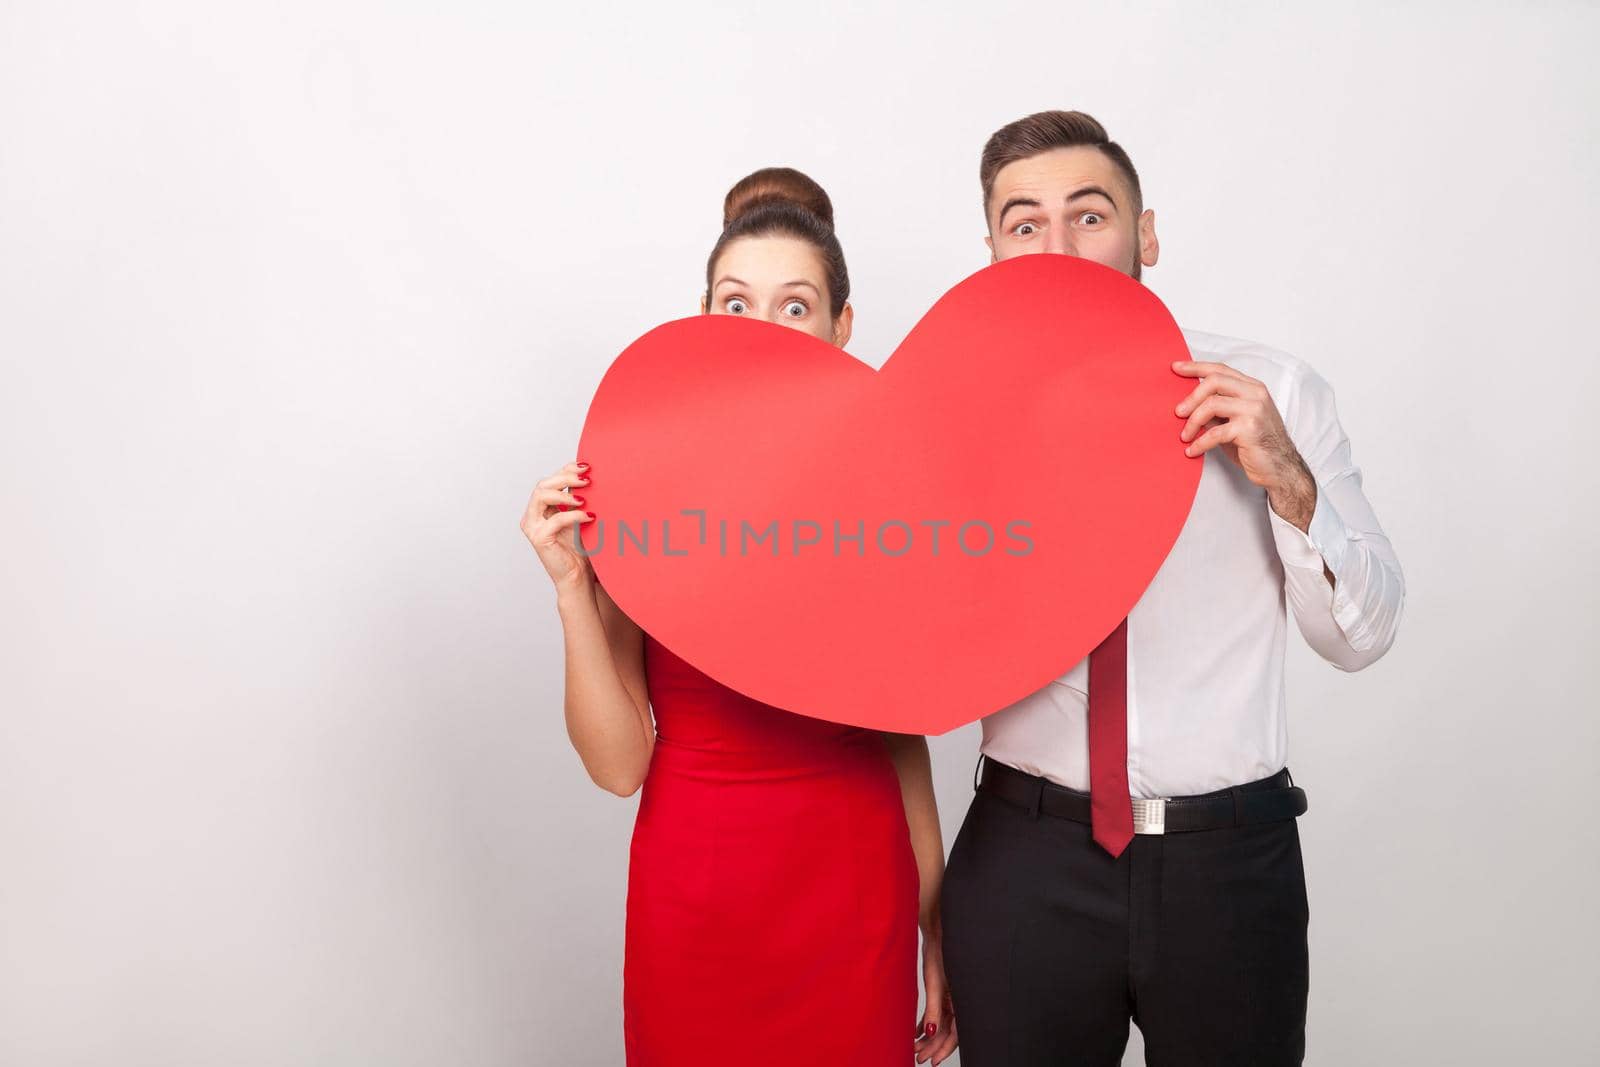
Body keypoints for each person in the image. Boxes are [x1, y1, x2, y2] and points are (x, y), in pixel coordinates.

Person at [939, 110, 1407, 1066]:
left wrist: (1290, 481)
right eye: (1024, 222)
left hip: (1230, 863)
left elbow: (1362, 636)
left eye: (1091, 215)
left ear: (1146, 233)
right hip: (1027, 858)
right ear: (993, 252)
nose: (1059, 246)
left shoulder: (1270, 390)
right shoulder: (952, 416)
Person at [521, 168, 959, 1066]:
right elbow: (616, 764)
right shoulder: (639, 490)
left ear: (841, 328)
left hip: (852, 891)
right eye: (735, 303)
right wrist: (573, 586)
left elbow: (902, 732)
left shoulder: (886, 501)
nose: (762, 331)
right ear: (700, 321)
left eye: (794, 306)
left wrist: (938, 930)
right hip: (697, 894)